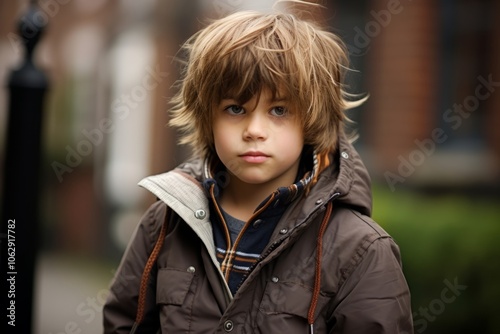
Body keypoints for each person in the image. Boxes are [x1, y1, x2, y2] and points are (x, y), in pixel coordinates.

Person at [103, 2, 413, 333]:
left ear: (310, 119)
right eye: (236, 108)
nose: (254, 130)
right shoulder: (165, 223)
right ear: (207, 115)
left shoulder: (359, 249)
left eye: (279, 110)